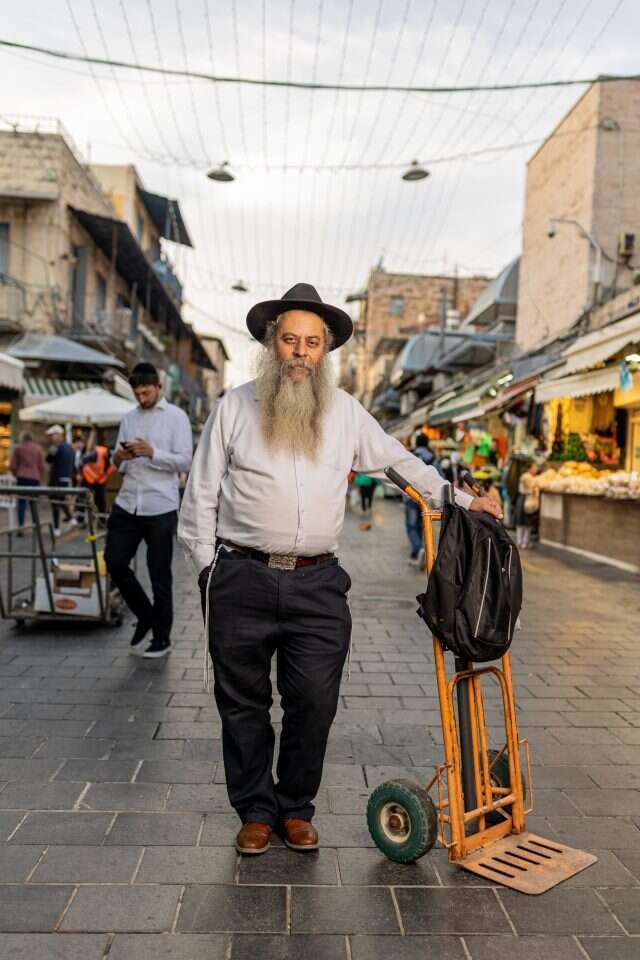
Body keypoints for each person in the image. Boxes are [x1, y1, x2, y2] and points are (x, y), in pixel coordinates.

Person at [178, 282, 502, 857]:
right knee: (243, 703)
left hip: (318, 583)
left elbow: (400, 462)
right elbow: (200, 498)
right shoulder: (234, 407)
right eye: (289, 340)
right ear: (270, 346)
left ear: (324, 351)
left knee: (315, 700)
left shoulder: (347, 413)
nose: (301, 352)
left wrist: (457, 496)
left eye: (312, 342)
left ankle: (295, 807)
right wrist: (211, 575)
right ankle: (255, 810)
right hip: (241, 578)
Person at [105, 362, 193, 659]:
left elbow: (185, 461)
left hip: (160, 505)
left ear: (158, 387)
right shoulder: (128, 418)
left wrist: (152, 453)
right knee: (114, 562)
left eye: (146, 392)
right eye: (137, 394)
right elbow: (117, 463)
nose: (142, 398)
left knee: (160, 575)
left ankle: (162, 638)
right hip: (128, 500)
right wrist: (119, 457)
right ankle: (145, 614)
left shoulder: (177, 417)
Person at [405, 433, 441, 566]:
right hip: (426, 497)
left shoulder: (410, 455)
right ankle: (424, 551)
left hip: (411, 495)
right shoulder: (433, 457)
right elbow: (439, 476)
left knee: (412, 526)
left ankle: (418, 549)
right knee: (423, 524)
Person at [10, 431, 45, 532]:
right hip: (35, 478)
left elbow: (13, 465)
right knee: (33, 502)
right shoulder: (38, 448)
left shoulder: (18, 448)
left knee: (21, 503)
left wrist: (16, 473)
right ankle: (36, 526)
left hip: (22, 477)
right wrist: (40, 477)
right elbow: (42, 466)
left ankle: (21, 527)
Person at [45, 425, 75, 536]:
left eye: (53, 435)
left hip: (56, 479)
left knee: (55, 503)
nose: (51, 438)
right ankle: (71, 518)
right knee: (60, 500)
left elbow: (48, 459)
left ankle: (57, 528)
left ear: (58, 435)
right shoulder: (69, 447)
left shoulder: (57, 447)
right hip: (65, 479)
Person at [79, 430, 114, 520]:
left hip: (99, 481)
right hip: (88, 478)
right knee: (83, 497)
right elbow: (82, 461)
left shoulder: (111, 461)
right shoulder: (98, 453)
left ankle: (101, 519)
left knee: (101, 500)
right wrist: (79, 474)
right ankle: (80, 517)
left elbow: (106, 471)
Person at [514, 461, 540, 550]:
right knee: (521, 522)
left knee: (528, 523)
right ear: (529, 468)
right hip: (525, 499)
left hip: (529, 500)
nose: (536, 469)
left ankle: (525, 542)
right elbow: (529, 488)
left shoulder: (533, 477)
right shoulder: (526, 476)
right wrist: (535, 487)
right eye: (534, 467)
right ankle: (520, 542)